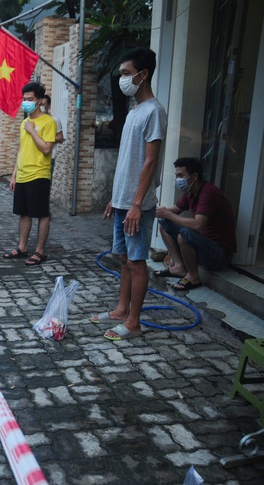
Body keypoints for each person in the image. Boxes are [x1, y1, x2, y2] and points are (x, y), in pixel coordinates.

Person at [92, 47, 167, 341]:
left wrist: (136, 204)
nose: (122, 79)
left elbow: (149, 161)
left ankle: (134, 322)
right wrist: (116, 197)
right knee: (123, 259)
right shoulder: (135, 111)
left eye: (126, 73)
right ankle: (122, 309)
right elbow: (128, 160)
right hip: (124, 200)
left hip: (138, 204)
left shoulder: (154, 112)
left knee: (136, 262)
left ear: (143, 74)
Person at [154, 157, 236, 290]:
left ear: (194, 176)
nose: (178, 179)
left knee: (185, 233)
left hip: (219, 255)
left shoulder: (208, 193)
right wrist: (152, 211)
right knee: (164, 222)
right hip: (205, 245)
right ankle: (179, 267)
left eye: (181, 175)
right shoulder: (191, 192)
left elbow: (198, 225)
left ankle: (193, 276)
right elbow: (174, 211)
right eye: (176, 176)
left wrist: (169, 214)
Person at [3, 82, 56, 266]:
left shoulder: (48, 122)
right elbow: (21, 149)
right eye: (24, 99)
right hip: (23, 174)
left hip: (39, 174)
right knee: (23, 213)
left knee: (41, 213)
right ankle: (22, 247)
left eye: (30, 99)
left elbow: (47, 149)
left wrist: (33, 131)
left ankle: (40, 251)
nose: (26, 102)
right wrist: (14, 174)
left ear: (40, 100)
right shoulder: (24, 122)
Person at [39, 94, 64, 174]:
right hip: (34, 156)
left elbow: (60, 138)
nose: (41, 107)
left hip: (49, 157)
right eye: (39, 104)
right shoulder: (33, 121)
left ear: (49, 105)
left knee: (46, 183)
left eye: (43, 104)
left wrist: (46, 138)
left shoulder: (54, 120)